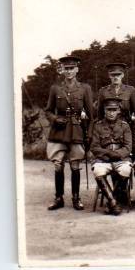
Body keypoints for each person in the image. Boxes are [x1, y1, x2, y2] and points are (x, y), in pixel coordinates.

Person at [44, 55, 94, 211]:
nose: (69, 71)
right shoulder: (55, 89)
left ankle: (76, 198)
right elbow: (48, 111)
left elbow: (91, 115)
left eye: (72, 68)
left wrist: (89, 134)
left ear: (77, 69)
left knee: (75, 164)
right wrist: (54, 119)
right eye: (66, 69)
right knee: (58, 165)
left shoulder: (85, 88)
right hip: (59, 130)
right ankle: (58, 198)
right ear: (62, 70)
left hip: (76, 130)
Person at [89, 97, 133, 216]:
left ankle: (111, 202)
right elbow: (94, 147)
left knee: (125, 169)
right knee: (98, 170)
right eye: (109, 110)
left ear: (118, 110)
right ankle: (114, 202)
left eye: (114, 110)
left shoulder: (125, 126)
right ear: (104, 110)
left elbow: (128, 147)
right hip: (104, 159)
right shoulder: (98, 126)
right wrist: (107, 154)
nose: (111, 113)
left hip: (121, 159)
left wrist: (117, 155)